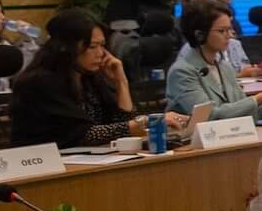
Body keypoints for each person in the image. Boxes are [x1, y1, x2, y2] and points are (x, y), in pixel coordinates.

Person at [12, 9, 189, 148]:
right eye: (92, 47)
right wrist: (147, 122)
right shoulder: (40, 83)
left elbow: (122, 126)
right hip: (46, 168)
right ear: (66, 48)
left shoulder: (90, 78)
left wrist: (121, 82)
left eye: (102, 46)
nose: (101, 54)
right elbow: (83, 135)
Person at [170, 0, 262, 121]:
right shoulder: (182, 71)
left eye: (229, 30)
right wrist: (259, 99)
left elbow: (242, 110)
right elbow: (209, 116)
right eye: (222, 31)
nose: (230, 36)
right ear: (199, 35)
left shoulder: (224, 67)